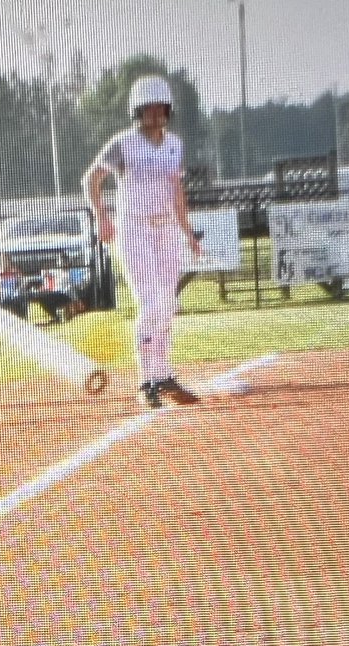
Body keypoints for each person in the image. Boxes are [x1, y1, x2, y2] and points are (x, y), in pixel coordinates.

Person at [81, 75, 203, 409]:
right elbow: (91, 178)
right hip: (134, 227)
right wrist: (101, 216)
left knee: (168, 303)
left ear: (168, 109)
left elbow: (176, 190)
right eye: (148, 108)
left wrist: (187, 230)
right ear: (137, 111)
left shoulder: (175, 145)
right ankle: (146, 380)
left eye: (160, 107)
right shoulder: (123, 143)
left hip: (166, 229)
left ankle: (164, 374)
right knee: (151, 303)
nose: (155, 114)